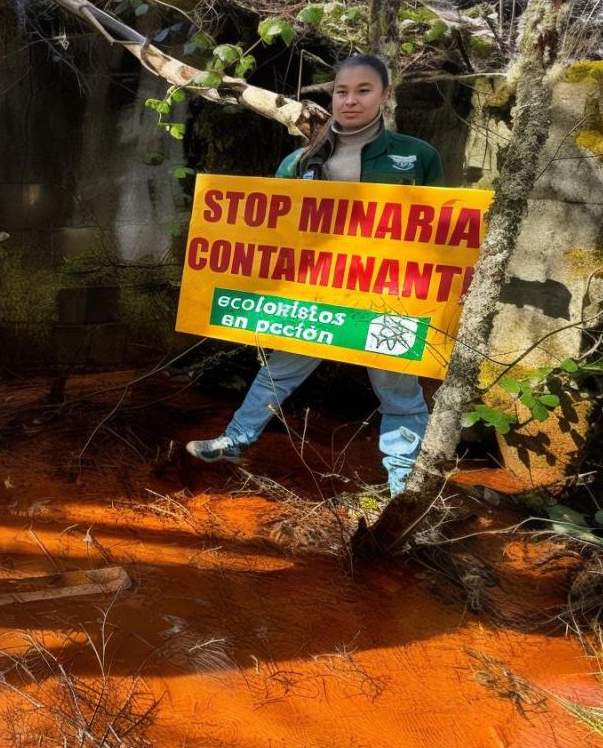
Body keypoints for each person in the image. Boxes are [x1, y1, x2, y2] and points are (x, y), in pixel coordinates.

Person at [185, 54, 442, 494]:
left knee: (398, 389)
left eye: (364, 91)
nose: (351, 101)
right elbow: (273, 233)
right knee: (279, 369)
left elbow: (439, 232)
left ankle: (404, 487)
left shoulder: (416, 156)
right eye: (342, 91)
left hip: (387, 296)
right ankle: (235, 440)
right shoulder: (300, 161)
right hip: (315, 293)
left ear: (384, 95)